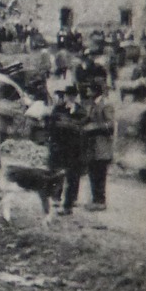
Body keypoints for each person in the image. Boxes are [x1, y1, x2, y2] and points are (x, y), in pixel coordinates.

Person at [46, 85, 88, 214]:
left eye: (72, 95)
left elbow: (81, 126)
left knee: (73, 176)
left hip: (74, 148)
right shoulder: (58, 109)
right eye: (68, 95)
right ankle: (56, 197)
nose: (70, 98)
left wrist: (66, 123)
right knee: (57, 172)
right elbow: (52, 126)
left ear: (76, 97)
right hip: (59, 146)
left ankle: (70, 202)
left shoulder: (81, 111)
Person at [83, 83, 115, 211]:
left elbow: (110, 125)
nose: (87, 92)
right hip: (92, 146)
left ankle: (100, 201)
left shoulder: (105, 105)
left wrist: (93, 127)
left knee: (100, 174)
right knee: (92, 172)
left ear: (95, 91)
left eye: (89, 90)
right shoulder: (92, 105)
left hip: (101, 145)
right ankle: (95, 200)